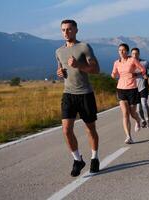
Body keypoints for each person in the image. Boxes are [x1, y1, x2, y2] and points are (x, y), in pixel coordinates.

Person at [56, 19, 100, 177]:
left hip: (85, 94)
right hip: (68, 94)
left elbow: (96, 69)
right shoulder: (59, 51)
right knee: (66, 130)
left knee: (90, 129)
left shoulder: (84, 47)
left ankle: (94, 158)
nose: (66, 33)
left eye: (69, 29)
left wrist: (79, 66)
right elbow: (61, 69)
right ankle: (77, 160)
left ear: (76, 30)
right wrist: (60, 73)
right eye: (63, 30)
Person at [111, 43, 148, 144]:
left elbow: (143, 69)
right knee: (125, 113)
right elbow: (113, 74)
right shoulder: (116, 63)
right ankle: (128, 136)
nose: (121, 52)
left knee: (132, 113)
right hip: (121, 89)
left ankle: (138, 121)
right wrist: (113, 75)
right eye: (119, 50)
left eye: (123, 50)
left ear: (127, 51)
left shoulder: (132, 60)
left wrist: (135, 74)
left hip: (132, 89)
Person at [131, 48, 149, 128]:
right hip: (134, 87)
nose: (135, 55)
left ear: (139, 54)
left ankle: (148, 120)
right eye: (133, 53)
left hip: (143, 86)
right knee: (138, 107)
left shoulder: (144, 62)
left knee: (144, 103)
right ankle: (143, 120)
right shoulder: (129, 64)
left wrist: (148, 75)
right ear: (131, 54)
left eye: (136, 53)